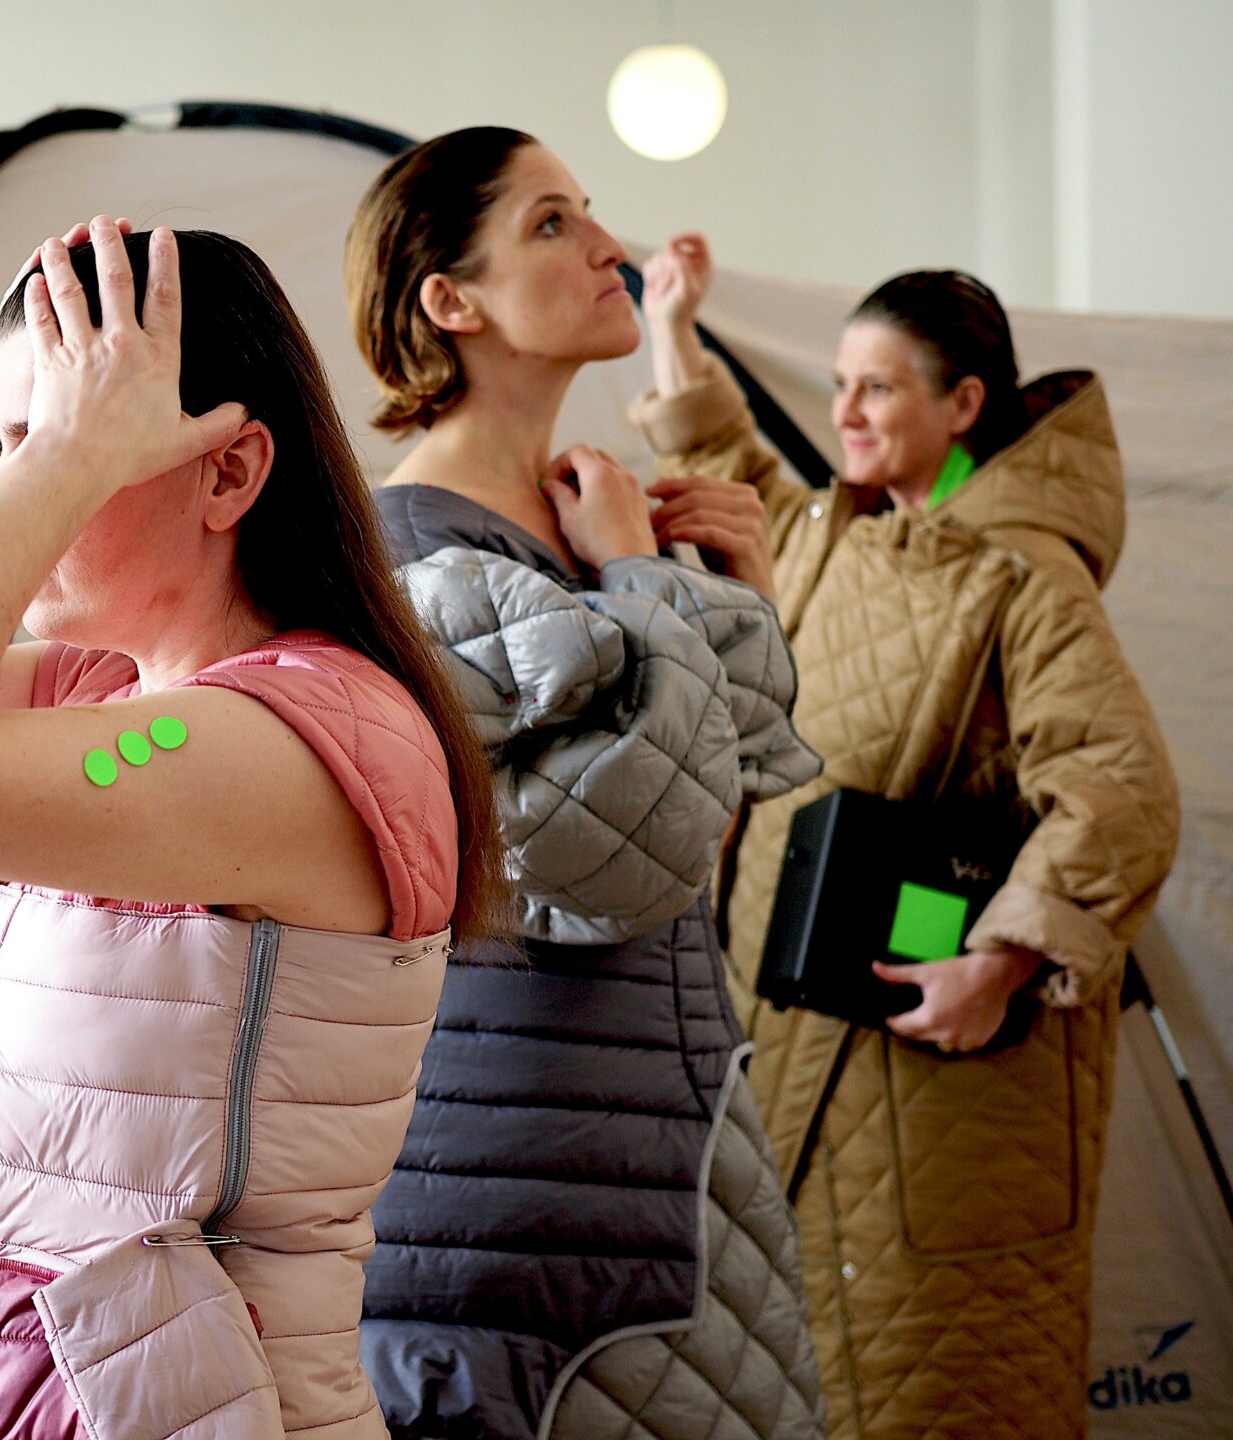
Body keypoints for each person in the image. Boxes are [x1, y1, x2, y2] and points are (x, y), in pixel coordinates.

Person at [0, 218, 506, 1439]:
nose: (21, 480)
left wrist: (51, 452)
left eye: (67, 446)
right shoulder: (108, 690)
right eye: (17, 448)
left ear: (227, 474)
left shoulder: (300, 735)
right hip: (29, 1389)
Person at [633, 237, 1182, 1439]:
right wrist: (673, 324)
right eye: (840, 385)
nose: (846, 412)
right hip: (810, 1058)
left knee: (939, 1395)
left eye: (878, 386)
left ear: (963, 404)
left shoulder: (1021, 575)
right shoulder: (846, 534)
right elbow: (737, 481)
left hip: (941, 1084)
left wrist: (1002, 965)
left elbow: (1122, 790)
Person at [344, 127, 827, 1440]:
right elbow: (617, 860)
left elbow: (702, 832)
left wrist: (741, 595)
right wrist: (646, 579)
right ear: (452, 300)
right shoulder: (414, 561)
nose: (610, 246)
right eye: (552, 224)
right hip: (525, 1194)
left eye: (590, 213)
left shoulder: (566, 541)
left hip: (643, 1138)